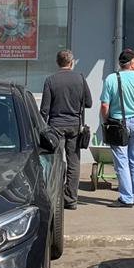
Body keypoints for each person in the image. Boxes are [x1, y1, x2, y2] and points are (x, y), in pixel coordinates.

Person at [99, 48, 134, 207]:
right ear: (131, 64)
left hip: (118, 124)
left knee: (121, 161)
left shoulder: (111, 79)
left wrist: (106, 120)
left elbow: (104, 105)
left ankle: (126, 197)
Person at [40, 48, 92, 211]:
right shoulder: (80, 79)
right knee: (74, 162)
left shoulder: (50, 80)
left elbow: (44, 109)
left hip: (56, 126)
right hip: (75, 126)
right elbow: (89, 103)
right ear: (72, 62)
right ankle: (71, 199)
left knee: (56, 161)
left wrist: (41, 128)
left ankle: (54, 196)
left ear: (58, 62)